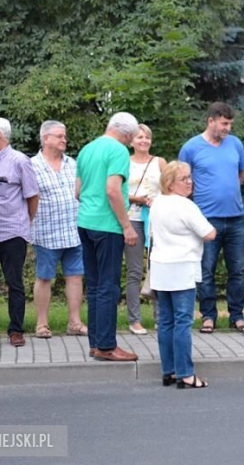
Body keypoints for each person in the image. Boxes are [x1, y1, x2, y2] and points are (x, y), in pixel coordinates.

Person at [179, 102, 244, 334]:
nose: (228, 128)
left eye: (230, 124)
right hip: (205, 219)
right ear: (211, 121)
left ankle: (237, 316)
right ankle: (208, 316)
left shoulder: (235, 144)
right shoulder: (191, 147)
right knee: (206, 269)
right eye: (224, 123)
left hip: (235, 218)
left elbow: (241, 174)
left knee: (236, 270)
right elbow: (182, 182)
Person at [76, 112, 139, 362]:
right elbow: (113, 190)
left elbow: (78, 191)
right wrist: (127, 226)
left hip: (85, 222)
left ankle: (95, 343)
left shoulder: (87, 149)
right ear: (127, 134)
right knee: (108, 287)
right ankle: (106, 345)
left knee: (93, 285)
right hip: (108, 225)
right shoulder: (119, 151)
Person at [149, 161, 216, 389]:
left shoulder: (157, 202)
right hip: (182, 266)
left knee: (166, 321)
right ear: (170, 183)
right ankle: (186, 373)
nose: (190, 182)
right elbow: (208, 233)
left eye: (190, 177)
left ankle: (168, 370)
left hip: (160, 266)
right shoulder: (186, 206)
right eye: (184, 179)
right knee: (183, 322)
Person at [0, 117, 40, 348]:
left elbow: (33, 195)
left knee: (14, 283)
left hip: (12, 233)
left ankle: (16, 330)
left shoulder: (19, 161)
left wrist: (25, 223)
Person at [31, 120, 87, 339]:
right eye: (59, 136)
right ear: (46, 139)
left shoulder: (72, 163)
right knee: (44, 278)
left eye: (65, 136)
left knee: (75, 277)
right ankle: (42, 324)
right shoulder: (32, 165)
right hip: (46, 232)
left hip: (74, 230)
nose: (64, 139)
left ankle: (74, 322)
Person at [124, 124, 167, 335]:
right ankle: (134, 319)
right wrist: (136, 199)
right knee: (134, 270)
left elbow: (169, 187)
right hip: (133, 218)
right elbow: (118, 190)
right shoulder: (124, 162)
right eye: (139, 137)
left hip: (156, 218)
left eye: (147, 137)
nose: (143, 141)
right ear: (131, 141)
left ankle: (161, 318)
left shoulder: (159, 162)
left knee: (158, 267)